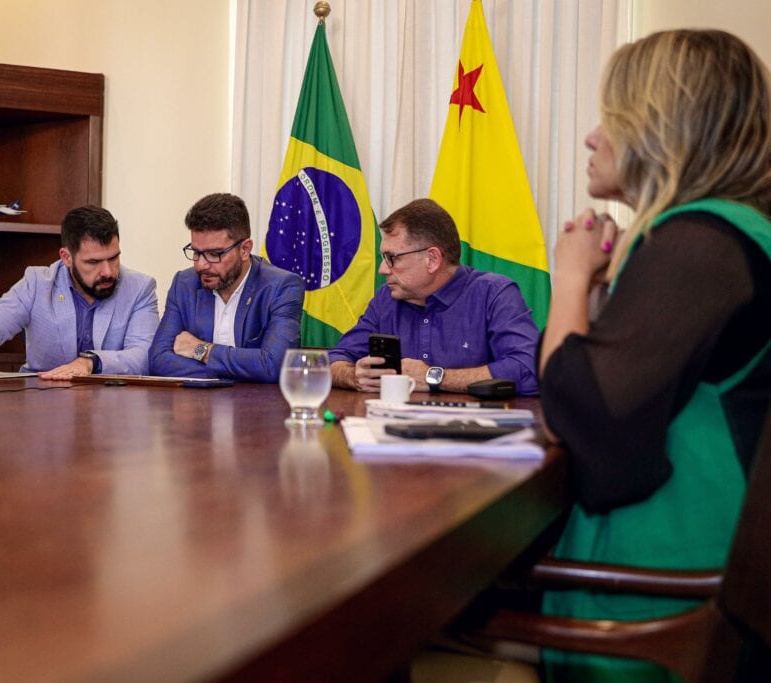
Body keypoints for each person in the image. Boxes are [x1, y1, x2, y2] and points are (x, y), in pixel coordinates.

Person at [538, 30, 771, 682]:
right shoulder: (731, 231)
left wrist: (572, 278)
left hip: (671, 594)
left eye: (610, 117)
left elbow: (577, 416)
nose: (591, 137)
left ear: (663, 126)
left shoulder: (699, 239)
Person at [328, 198, 539, 395]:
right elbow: (334, 359)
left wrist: (435, 377)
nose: (383, 269)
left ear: (432, 259)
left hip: (474, 430)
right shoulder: (387, 299)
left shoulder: (494, 294)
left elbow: (529, 369)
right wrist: (354, 376)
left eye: (392, 258)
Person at [0, 205, 159, 378]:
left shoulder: (139, 288)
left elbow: (144, 356)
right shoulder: (37, 284)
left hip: (111, 408)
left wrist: (91, 362)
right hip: (43, 403)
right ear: (66, 257)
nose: (108, 271)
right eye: (94, 262)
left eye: (113, 258)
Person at [148, 193, 304, 383]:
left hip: (259, 409)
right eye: (196, 252)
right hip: (198, 406)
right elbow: (158, 360)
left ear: (245, 249)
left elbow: (273, 366)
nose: (201, 265)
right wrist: (237, 373)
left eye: (214, 254)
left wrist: (201, 350)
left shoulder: (281, 287)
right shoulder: (184, 284)